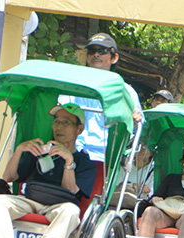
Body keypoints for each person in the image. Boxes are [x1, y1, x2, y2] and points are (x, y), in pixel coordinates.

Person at [0, 103, 97, 238]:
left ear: (79, 129)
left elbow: (71, 191)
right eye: (57, 121)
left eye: (66, 122)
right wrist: (19, 150)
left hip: (60, 206)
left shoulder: (85, 163)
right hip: (31, 200)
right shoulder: (40, 151)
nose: (59, 126)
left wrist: (69, 162)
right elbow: (8, 177)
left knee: (72, 212)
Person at [59, 32, 144, 162]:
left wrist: (134, 121)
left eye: (102, 51)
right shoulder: (73, 86)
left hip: (104, 158)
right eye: (92, 51)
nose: (96, 55)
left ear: (114, 58)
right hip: (71, 151)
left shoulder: (126, 91)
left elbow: (137, 126)